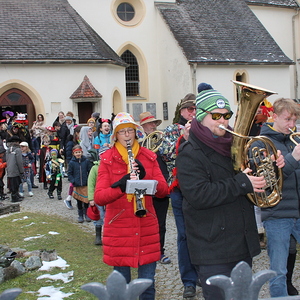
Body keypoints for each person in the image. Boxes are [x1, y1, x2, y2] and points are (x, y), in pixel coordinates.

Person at [176, 83, 284, 300]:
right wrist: (242, 183)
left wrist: (271, 167)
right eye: (216, 116)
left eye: (227, 115)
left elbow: (251, 185)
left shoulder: (235, 146)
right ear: (200, 117)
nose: (223, 121)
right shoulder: (189, 153)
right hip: (213, 248)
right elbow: (198, 195)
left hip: (241, 243)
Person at [94, 112, 168, 300]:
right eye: (122, 132)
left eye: (130, 131)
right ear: (115, 136)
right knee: (122, 289)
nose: (127, 135)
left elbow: (163, 191)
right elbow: (100, 197)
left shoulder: (149, 156)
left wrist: (146, 180)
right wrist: (121, 185)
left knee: (147, 287)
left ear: (136, 133)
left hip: (147, 228)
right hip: (119, 228)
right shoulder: (108, 159)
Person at [250, 97, 300, 297]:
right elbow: (267, 180)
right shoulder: (262, 144)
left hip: (297, 210)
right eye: (288, 119)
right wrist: (293, 158)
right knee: (278, 270)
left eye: (295, 120)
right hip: (277, 213)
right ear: (274, 116)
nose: (292, 125)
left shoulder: (293, 140)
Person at [159, 93, 198, 298]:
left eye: (195, 109)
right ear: (182, 111)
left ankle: (203, 271)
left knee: (203, 233)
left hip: (201, 189)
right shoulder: (172, 130)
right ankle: (189, 281)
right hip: (179, 189)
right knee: (183, 236)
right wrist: (183, 137)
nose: (193, 113)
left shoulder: (204, 128)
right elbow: (164, 153)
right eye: (189, 109)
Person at [139, 111, 171, 264]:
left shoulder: (163, 141)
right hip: (144, 187)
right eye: (150, 123)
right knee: (145, 221)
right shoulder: (138, 145)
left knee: (161, 222)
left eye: (154, 123)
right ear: (143, 126)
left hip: (161, 185)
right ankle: (146, 250)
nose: (153, 126)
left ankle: (160, 251)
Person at [87, 146, 109, 245]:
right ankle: (98, 236)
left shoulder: (112, 167)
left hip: (109, 197)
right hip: (98, 197)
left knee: (109, 217)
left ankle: (108, 236)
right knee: (99, 216)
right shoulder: (95, 168)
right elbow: (91, 183)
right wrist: (91, 198)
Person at [68, 145, 91, 223]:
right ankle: (80, 215)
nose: (78, 154)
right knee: (79, 201)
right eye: (76, 152)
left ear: (82, 152)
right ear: (73, 153)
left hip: (85, 184)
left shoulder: (86, 161)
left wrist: (89, 180)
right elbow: (69, 173)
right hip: (77, 185)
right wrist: (73, 180)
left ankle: (87, 214)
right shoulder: (72, 163)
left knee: (86, 201)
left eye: (79, 152)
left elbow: (90, 171)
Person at [64, 125, 82, 210]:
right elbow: (68, 154)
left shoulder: (80, 141)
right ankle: (69, 198)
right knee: (73, 183)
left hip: (80, 164)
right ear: (77, 133)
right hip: (74, 165)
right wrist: (71, 164)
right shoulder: (71, 143)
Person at [6, 135, 24, 203]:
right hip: (16, 169)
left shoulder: (8, 150)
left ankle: (16, 194)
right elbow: (19, 161)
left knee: (12, 183)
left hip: (9, 169)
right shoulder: (18, 150)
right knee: (16, 183)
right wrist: (21, 170)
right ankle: (14, 196)